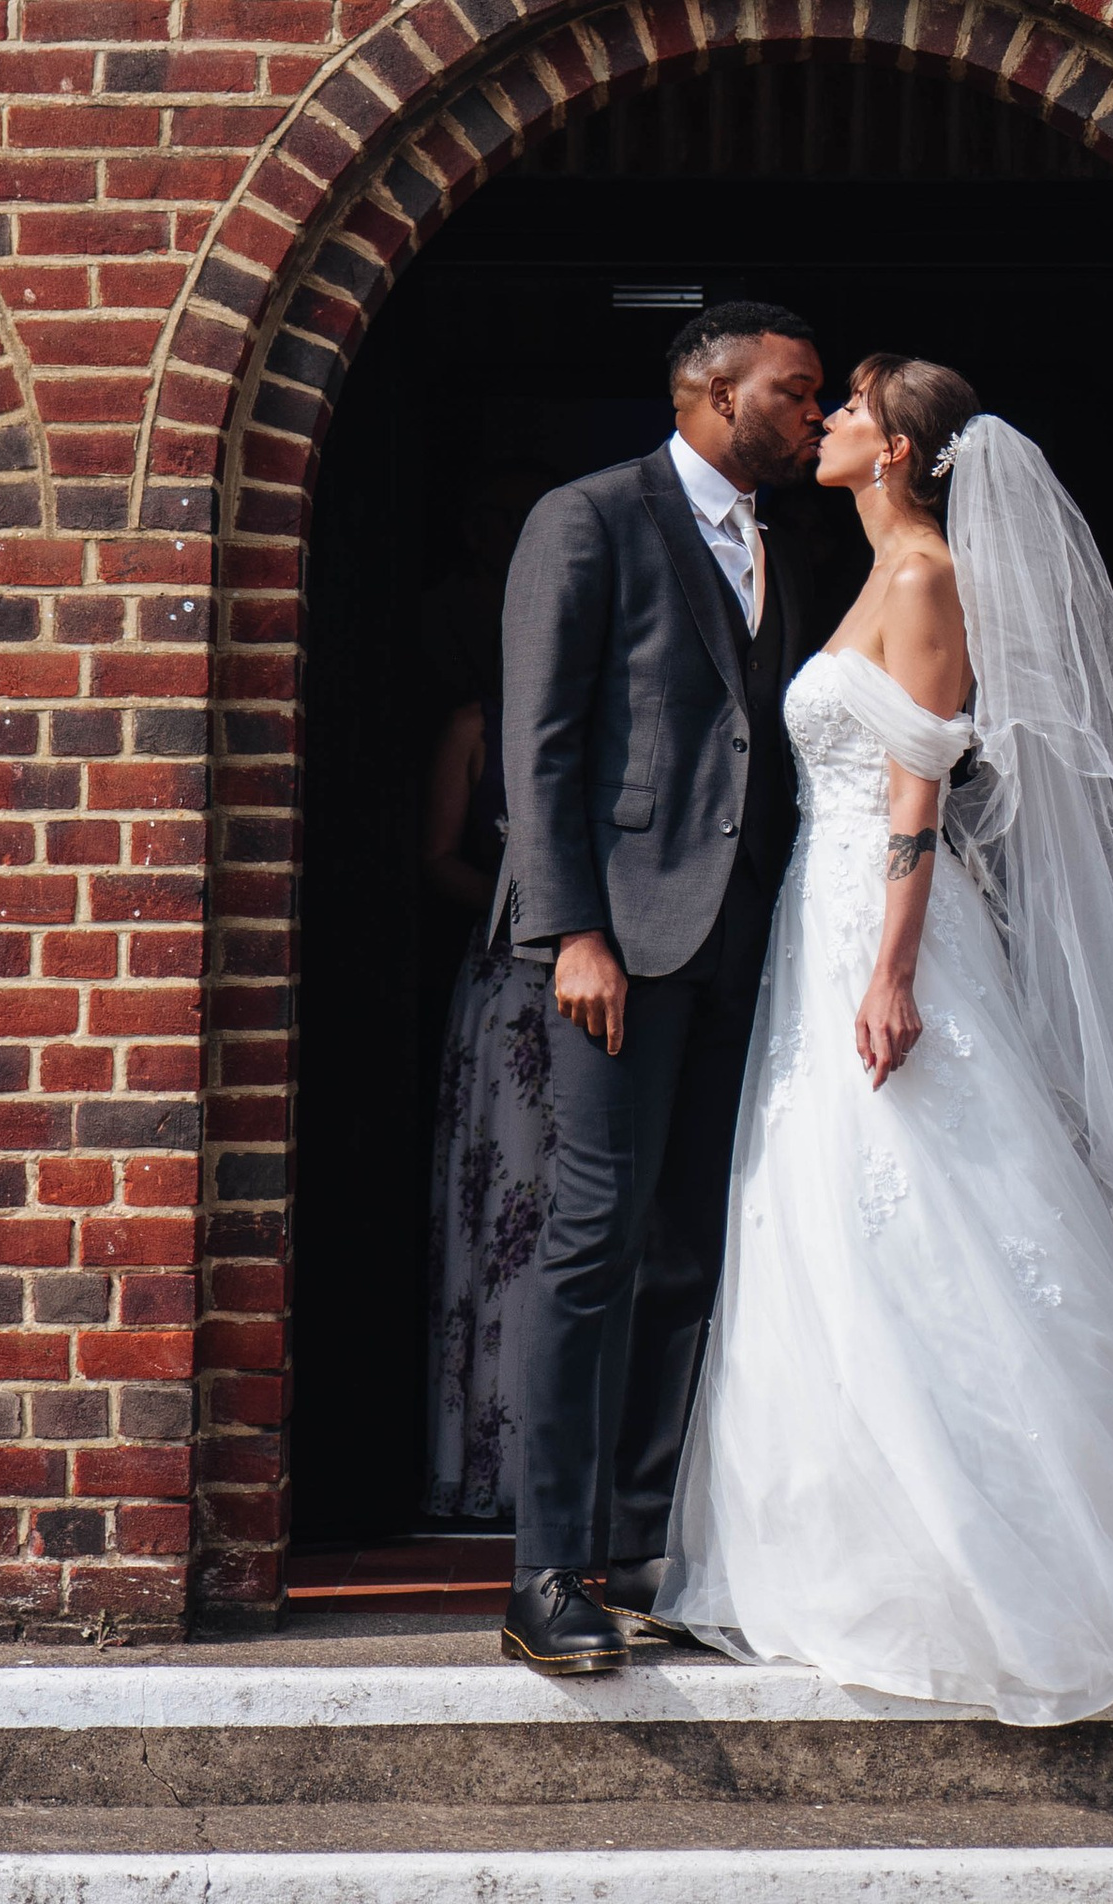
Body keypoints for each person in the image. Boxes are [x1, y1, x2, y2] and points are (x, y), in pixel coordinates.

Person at [659, 357, 1113, 1724]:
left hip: (885, 927)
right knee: (833, 1210)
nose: (827, 426)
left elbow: (918, 788)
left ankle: (1020, 1553)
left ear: (900, 450)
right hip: (824, 916)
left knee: (931, 1198)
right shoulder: (871, 573)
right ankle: (846, 1546)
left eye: (848, 412)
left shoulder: (922, 579)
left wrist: (895, 972)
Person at [493, 299, 827, 1676]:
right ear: (710, 389)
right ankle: (544, 1573)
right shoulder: (591, 517)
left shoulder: (774, 539)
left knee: (691, 1246)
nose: (811, 416)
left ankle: (638, 1548)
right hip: (619, 943)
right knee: (591, 1243)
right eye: (794, 393)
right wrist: (572, 930)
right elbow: (544, 744)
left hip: (741, 944)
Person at [421, 688, 556, 1520]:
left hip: (600, 988)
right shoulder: (475, 722)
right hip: (508, 988)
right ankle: (484, 1467)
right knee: (499, 1206)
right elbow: (435, 854)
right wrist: (521, 908)